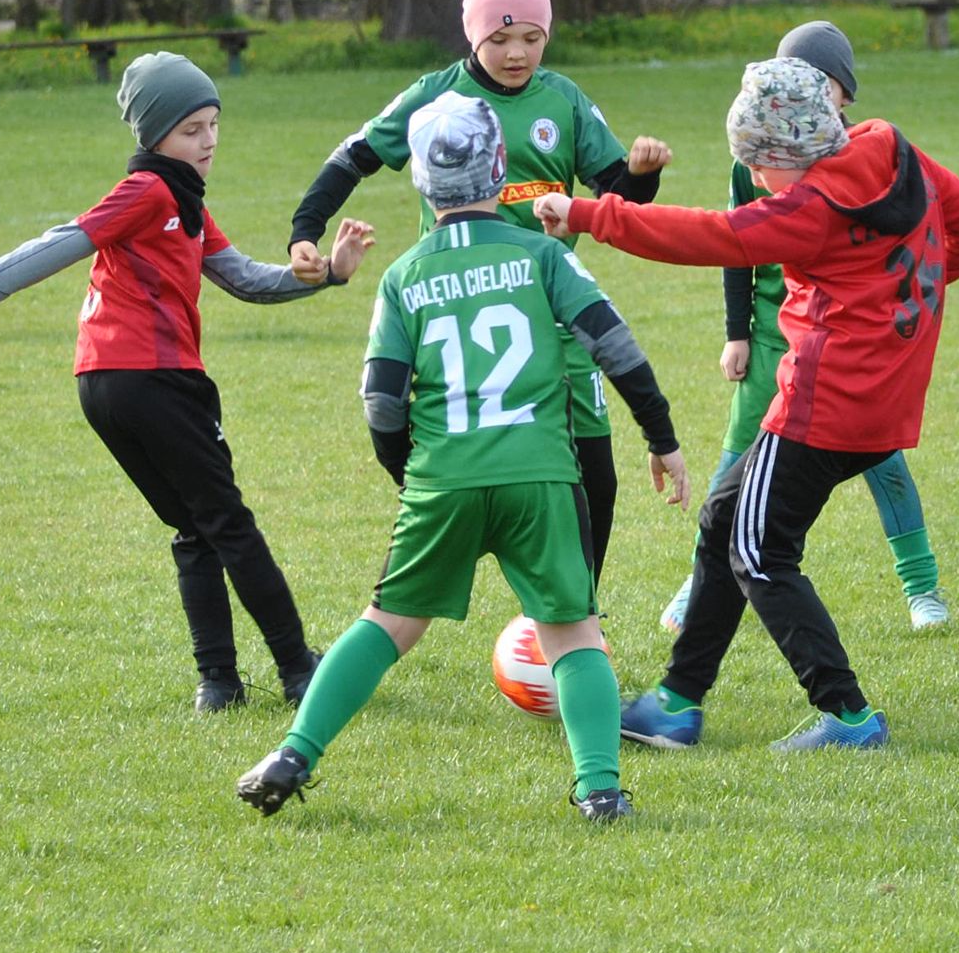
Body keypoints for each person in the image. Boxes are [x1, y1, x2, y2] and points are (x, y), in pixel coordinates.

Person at [237, 91, 688, 823]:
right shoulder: (542, 255)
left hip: (444, 476)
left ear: (419, 180)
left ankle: (294, 752)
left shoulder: (405, 276)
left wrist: (411, 472)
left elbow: (380, 401)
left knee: (386, 624)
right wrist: (661, 438)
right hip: (540, 472)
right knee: (574, 633)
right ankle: (600, 790)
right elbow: (616, 347)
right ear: (501, 165)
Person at [536, 59, 959, 752]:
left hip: (827, 404)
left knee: (759, 551)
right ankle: (678, 701)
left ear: (791, 152)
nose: (755, 179)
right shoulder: (892, 146)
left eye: (759, 163)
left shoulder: (811, 209)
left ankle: (849, 716)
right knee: (726, 517)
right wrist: (896, 301)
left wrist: (587, 213)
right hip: (885, 400)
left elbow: (710, 237)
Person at [0, 52, 376, 711]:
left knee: (196, 527)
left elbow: (244, 278)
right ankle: (300, 667)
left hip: (105, 384)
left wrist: (328, 272)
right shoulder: (148, 192)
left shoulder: (184, 202)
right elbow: (57, 244)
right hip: (153, 379)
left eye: (214, 123)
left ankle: (218, 683)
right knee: (229, 523)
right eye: (191, 129)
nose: (209, 140)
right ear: (153, 136)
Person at [282, 0, 670, 587]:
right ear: (474, 34)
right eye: (500, 38)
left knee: (595, 474)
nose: (517, 53)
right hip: (460, 310)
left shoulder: (563, 100)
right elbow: (351, 157)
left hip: (556, 309)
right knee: (452, 478)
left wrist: (642, 176)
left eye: (531, 38)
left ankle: (578, 616)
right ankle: (400, 603)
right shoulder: (435, 97)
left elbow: (617, 197)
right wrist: (306, 231)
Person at [658, 21, 951, 637]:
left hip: (842, 348)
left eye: (826, 87)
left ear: (841, 94)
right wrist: (737, 332)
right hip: (773, 340)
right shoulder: (757, 156)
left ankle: (922, 587)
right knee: (735, 469)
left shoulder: (866, 162)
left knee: (886, 467)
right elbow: (731, 243)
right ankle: (699, 581)